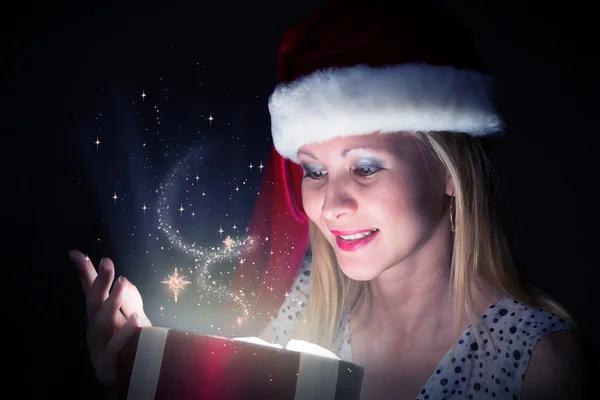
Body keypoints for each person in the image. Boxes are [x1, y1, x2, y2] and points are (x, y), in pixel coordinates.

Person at [71, 1, 586, 399]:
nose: (331, 203)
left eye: (364, 167)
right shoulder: (294, 315)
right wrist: (142, 371)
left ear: (448, 171)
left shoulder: (537, 364)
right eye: (314, 170)